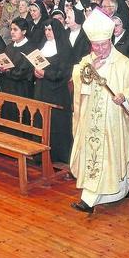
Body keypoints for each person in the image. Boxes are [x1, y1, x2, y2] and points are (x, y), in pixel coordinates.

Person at [70, 9, 129, 213]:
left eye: (104, 45)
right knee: (95, 157)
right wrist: (88, 71)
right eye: (96, 45)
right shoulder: (87, 61)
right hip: (91, 122)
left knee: (115, 156)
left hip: (114, 121)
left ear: (110, 41)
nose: (100, 49)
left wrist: (124, 95)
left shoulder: (123, 63)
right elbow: (78, 81)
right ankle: (89, 199)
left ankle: (123, 187)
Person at [33, 19, 74, 164]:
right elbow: (36, 65)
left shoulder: (64, 48)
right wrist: (36, 73)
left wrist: (46, 74)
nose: (47, 33)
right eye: (46, 30)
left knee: (57, 124)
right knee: (42, 122)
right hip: (41, 90)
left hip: (57, 93)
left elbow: (64, 73)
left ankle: (58, 157)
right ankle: (40, 156)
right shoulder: (43, 46)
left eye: (50, 30)